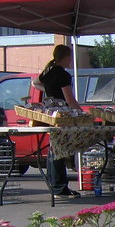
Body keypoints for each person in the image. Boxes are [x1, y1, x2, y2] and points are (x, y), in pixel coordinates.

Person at [32, 44, 80, 197]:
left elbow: (35, 82)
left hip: (50, 112)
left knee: (54, 149)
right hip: (62, 115)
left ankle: (55, 184)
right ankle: (60, 186)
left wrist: (48, 91)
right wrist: (80, 113)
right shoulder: (63, 75)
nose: (71, 61)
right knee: (58, 150)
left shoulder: (48, 71)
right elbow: (69, 99)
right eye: (70, 58)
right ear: (66, 58)